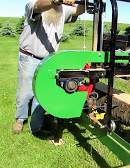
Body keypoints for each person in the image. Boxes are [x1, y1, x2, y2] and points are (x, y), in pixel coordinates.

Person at [12, 0, 85, 136]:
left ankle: (36, 126)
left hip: (49, 60)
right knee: (25, 92)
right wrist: (54, 1)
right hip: (29, 56)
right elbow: (39, 6)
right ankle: (20, 119)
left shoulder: (62, 9)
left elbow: (79, 10)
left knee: (42, 94)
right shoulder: (34, 3)